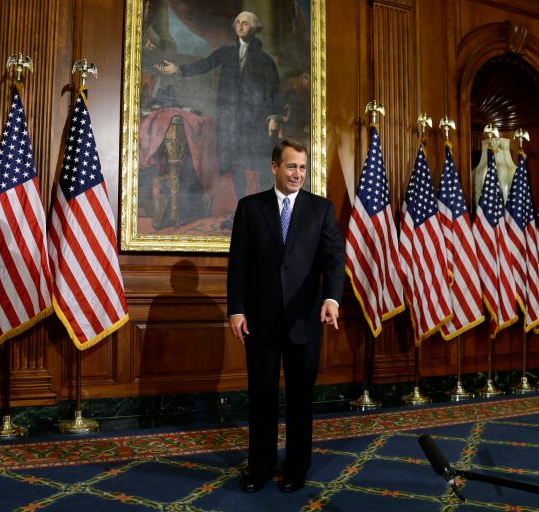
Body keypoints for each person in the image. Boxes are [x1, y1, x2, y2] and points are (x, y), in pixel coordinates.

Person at [227, 139, 345, 493]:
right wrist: (236, 309)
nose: (298, 174)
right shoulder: (250, 208)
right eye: (292, 166)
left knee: (299, 399)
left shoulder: (321, 209)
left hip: (304, 321)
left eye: (303, 168)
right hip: (260, 321)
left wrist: (332, 299)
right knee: (261, 396)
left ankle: (296, 467)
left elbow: (334, 260)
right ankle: (260, 467)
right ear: (274, 167)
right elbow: (238, 265)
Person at [155, 11, 282, 199]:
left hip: (254, 122)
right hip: (231, 120)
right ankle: (242, 208)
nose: (240, 26)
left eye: (245, 23)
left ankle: (265, 208)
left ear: (254, 29)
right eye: (237, 22)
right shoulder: (226, 53)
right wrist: (178, 69)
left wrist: (274, 118)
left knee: (260, 165)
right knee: (235, 166)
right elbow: (205, 64)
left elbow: (275, 90)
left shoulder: (265, 60)